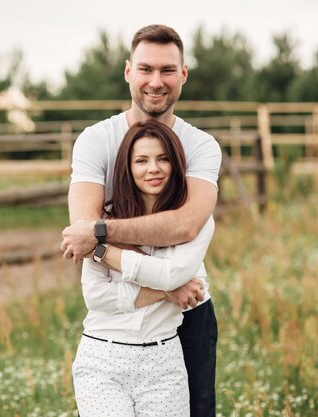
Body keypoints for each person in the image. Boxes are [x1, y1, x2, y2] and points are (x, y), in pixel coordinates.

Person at [60, 24, 222, 416]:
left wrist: (102, 233)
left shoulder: (201, 145)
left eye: (168, 70)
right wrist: (164, 282)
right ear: (128, 71)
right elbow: (82, 229)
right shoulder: (97, 139)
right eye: (146, 69)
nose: (156, 81)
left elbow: (186, 225)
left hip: (186, 305)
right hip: (119, 319)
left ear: (183, 74)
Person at [73, 119, 214, 417]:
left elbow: (172, 275)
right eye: (141, 160)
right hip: (103, 357)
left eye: (163, 158)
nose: (153, 168)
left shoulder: (195, 222)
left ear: (176, 164)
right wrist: (166, 293)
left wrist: (102, 250)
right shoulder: (104, 221)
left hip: (164, 360)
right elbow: (96, 297)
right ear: (128, 166)